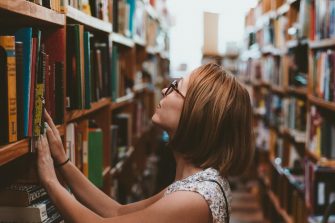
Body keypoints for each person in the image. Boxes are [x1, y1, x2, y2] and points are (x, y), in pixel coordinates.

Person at [37, 63, 254, 223]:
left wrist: (50, 181)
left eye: (175, 87)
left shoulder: (192, 199)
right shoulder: (197, 181)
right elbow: (117, 212)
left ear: (196, 114)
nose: (163, 90)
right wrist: (63, 162)